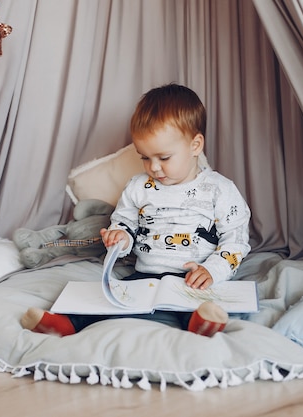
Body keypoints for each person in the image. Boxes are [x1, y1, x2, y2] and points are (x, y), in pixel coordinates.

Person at [21, 83, 251, 337]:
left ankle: (202, 323)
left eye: (164, 158)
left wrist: (213, 270)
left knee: (197, 304)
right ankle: (64, 323)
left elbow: (236, 239)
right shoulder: (139, 186)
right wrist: (120, 237)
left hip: (192, 278)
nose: (153, 167)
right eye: (144, 157)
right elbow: (123, 221)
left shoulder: (220, 190)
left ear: (195, 145)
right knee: (108, 298)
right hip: (144, 276)